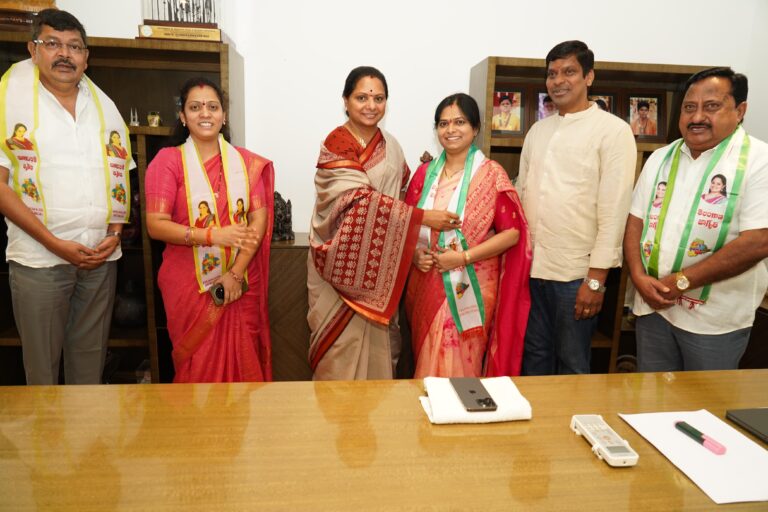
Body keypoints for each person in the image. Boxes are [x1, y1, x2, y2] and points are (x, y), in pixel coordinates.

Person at [0, 9, 132, 385]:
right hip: (40, 261)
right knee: (42, 375)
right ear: (33, 49)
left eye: (74, 46)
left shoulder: (103, 107)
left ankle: (82, 443)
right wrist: (55, 244)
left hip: (100, 261)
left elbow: (120, 174)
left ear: (86, 57)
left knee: (88, 371)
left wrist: (116, 235)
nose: (65, 54)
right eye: (53, 43)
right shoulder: (9, 101)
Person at [307, 66, 459, 380]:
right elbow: (357, 200)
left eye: (378, 98)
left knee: (381, 352)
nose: (371, 105)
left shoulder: (391, 145)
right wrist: (422, 218)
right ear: (346, 101)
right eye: (362, 97)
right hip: (339, 265)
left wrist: (425, 183)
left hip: (382, 269)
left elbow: (402, 195)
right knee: (338, 355)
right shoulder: (336, 143)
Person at [624, 67, 768, 371]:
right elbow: (635, 221)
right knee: (650, 402)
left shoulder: (758, 161)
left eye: (711, 106)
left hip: (714, 321)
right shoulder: (662, 157)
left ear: (740, 110)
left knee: (704, 409)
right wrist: (637, 276)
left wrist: (683, 281)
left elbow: (758, 241)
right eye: (690, 107)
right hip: (654, 309)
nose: (697, 117)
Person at [517, 40, 637, 375]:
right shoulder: (538, 131)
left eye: (569, 71)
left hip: (576, 276)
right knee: (534, 357)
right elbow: (519, 191)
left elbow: (615, 211)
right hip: (531, 269)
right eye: (552, 73)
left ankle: (568, 427)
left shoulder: (613, 132)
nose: (558, 80)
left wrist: (596, 280)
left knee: (572, 362)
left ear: (589, 77)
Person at [145, 76, 274, 383]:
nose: (205, 113)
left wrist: (235, 273)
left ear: (224, 115)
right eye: (195, 107)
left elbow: (258, 220)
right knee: (198, 368)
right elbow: (156, 225)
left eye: (213, 107)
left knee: (243, 367)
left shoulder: (245, 163)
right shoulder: (168, 162)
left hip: (240, 281)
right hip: (189, 285)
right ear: (183, 116)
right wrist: (211, 235)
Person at [404, 93, 532, 377]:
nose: (450, 130)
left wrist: (462, 257)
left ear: (475, 128)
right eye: (443, 123)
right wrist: (414, 255)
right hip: (426, 284)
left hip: (471, 285)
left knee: (459, 362)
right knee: (426, 361)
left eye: (459, 122)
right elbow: (407, 225)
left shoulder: (491, 175)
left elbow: (512, 234)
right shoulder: (424, 175)